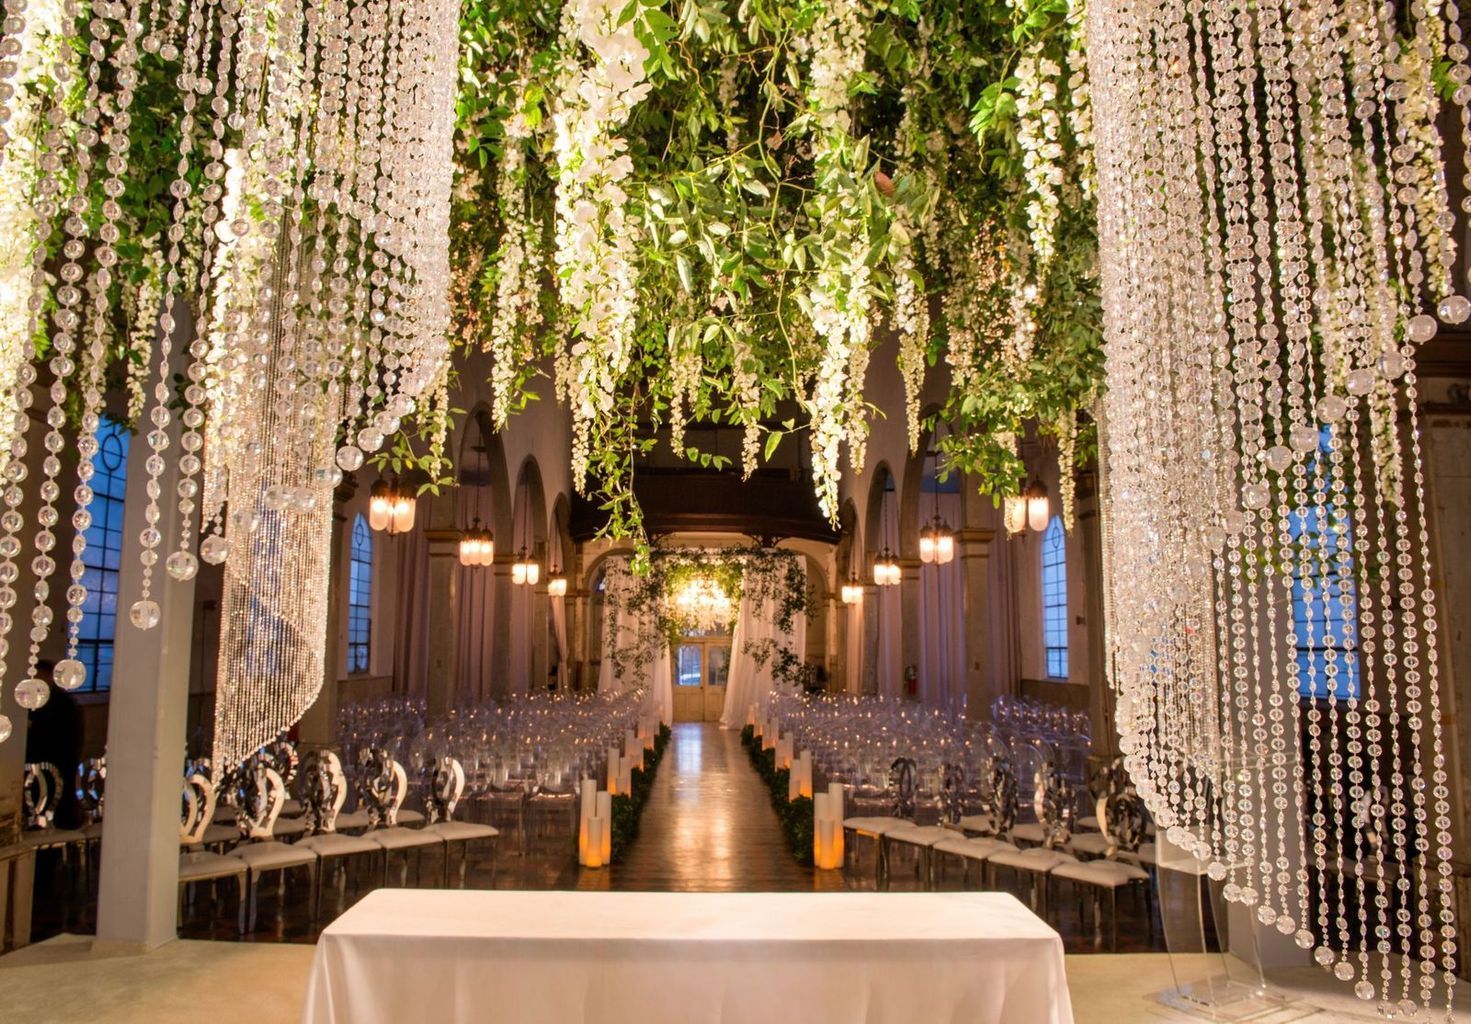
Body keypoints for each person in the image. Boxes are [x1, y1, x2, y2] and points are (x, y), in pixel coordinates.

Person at [24, 659, 83, 829]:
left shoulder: (63, 704)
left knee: (54, 805)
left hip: (57, 763)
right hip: (35, 764)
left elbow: (69, 739)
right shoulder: (34, 702)